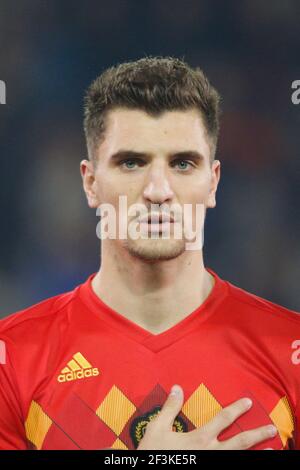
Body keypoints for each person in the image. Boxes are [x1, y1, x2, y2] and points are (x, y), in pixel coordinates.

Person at [0, 57, 299, 450]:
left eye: (182, 163)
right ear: (90, 183)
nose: (158, 190)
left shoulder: (288, 348)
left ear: (213, 182)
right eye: (131, 162)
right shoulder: (14, 358)